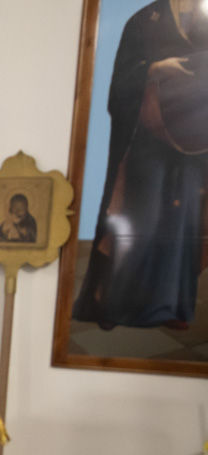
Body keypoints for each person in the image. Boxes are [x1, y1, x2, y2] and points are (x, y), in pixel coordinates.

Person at [72, 0, 208, 329]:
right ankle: (117, 303)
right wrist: (157, 68)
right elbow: (119, 85)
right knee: (141, 217)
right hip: (148, 137)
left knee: (183, 222)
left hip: (196, 143)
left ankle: (170, 306)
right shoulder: (144, 20)